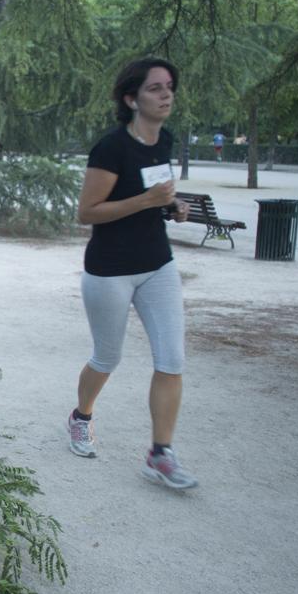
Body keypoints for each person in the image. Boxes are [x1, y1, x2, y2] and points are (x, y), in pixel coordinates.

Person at [65, 57, 197, 490]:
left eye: (169, 87)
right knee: (108, 357)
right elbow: (88, 213)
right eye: (156, 88)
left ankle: (161, 454)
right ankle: (81, 417)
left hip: (158, 263)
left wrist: (172, 207)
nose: (166, 94)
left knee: (172, 358)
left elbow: (158, 192)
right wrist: (145, 201)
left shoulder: (165, 139)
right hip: (110, 269)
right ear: (131, 98)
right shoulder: (111, 148)